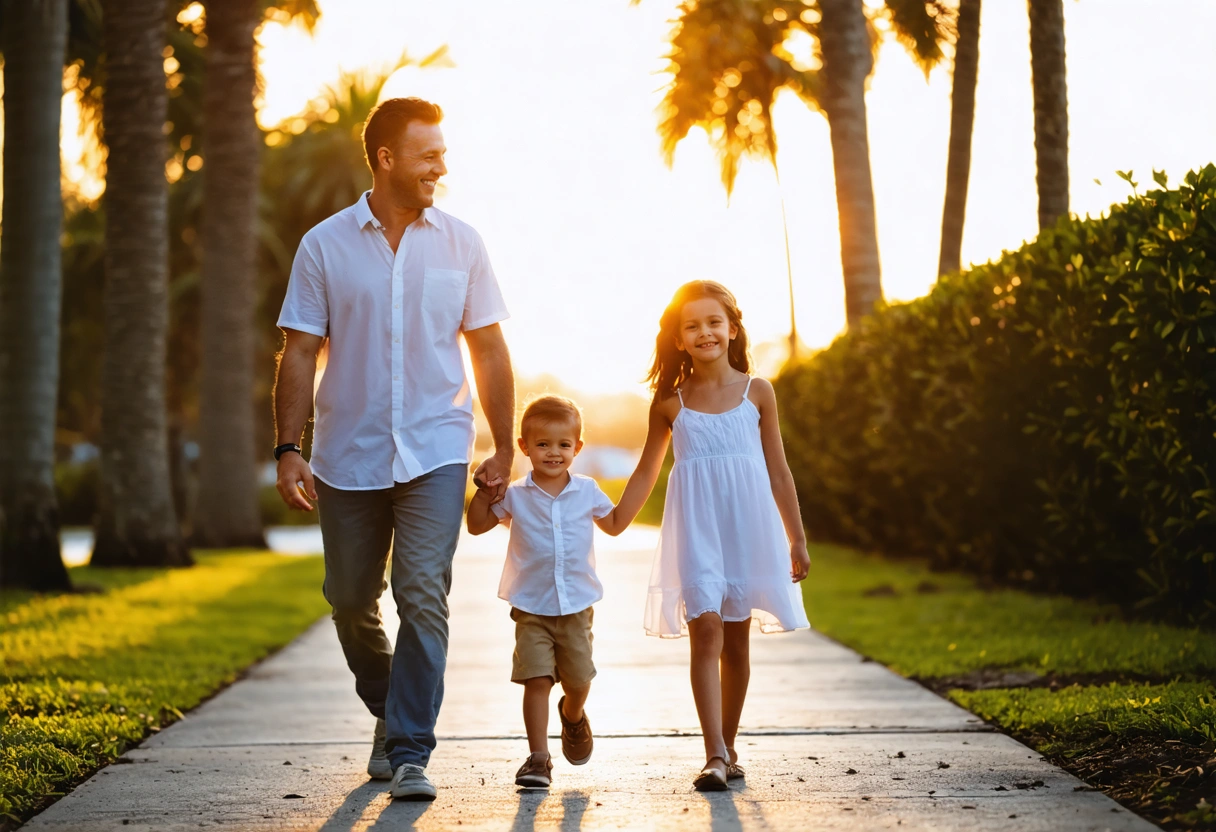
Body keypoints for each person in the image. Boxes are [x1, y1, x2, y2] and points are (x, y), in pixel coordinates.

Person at [271, 97, 515, 801]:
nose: (442, 164)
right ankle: (389, 705)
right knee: (350, 598)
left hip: (438, 447)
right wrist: (289, 446)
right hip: (349, 451)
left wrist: (502, 446)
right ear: (385, 159)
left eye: (442, 150)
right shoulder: (324, 245)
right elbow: (300, 351)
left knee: (422, 593)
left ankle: (410, 749)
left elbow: (490, 348)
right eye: (427, 153)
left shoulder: (463, 243)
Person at [623, 280, 811, 790]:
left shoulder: (758, 392)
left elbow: (779, 471)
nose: (704, 331)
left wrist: (796, 537)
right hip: (698, 531)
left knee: (738, 643)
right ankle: (713, 755)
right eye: (692, 325)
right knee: (705, 629)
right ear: (679, 339)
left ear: (732, 329)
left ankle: (728, 747)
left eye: (713, 322)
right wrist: (617, 517)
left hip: (747, 530)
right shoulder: (669, 403)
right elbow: (646, 470)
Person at [466, 395, 636, 788]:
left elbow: (612, 524)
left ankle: (573, 715)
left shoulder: (588, 490)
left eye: (563, 445)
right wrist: (483, 492)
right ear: (525, 448)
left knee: (578, 681)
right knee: (536, 680)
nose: (553, 453)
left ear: (577, 447)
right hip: (531, 606)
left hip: (576, 605)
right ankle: (538, 759)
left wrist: (640, 484)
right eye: (542, 444)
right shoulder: (514, 495)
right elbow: (476, 526)